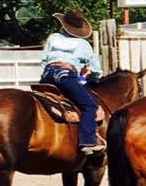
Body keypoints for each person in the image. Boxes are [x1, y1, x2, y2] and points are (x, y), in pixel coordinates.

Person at [40, 8, 105, 155]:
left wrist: (43, 78)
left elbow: (44, 60)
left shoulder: (53, 37)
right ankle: (87, 142)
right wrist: (96, 77)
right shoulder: (82, 44)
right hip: (65, 76)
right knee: (89, 106)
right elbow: (94, 66)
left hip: (47, 74)